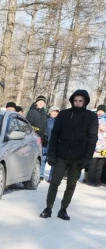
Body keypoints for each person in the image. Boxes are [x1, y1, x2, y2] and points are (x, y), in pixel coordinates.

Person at [40, 90, 98, 220]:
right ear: (72, 101)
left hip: (78, 157)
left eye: (80, 101)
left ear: (85, 102)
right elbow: (55, 134)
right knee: (54, 182)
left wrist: (87, 158)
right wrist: (51, 153)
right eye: (75, 100)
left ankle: (63, 209)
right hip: (62, 154)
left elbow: (92, 138)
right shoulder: (64, 114)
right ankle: (48, 207)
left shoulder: (91, 117)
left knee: (71, 185)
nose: (77, 103)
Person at [86, 104, 106, 186]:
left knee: (100, 165)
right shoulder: (93, 119)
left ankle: (98, 181)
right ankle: (91, 180)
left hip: (104, 147)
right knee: (92, 164)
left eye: (101, 111)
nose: (99, 113)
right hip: (94, 146)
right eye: (98, 111)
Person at [26, 96, 49, 165]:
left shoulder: (44, 113)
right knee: (32, 157)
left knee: (39, 157)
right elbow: (28, 125)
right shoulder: (32, 111)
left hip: (41, 138)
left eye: (43, 102)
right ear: (36, 103)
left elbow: (45, 125)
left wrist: (45, 135)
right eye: (40, 102)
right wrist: (36, 130)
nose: (41, 104)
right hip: (33, 138)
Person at [44, 106, 60, 182]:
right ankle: (40, 175)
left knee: (54, 160)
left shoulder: (60, 121)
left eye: (57, 112)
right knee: (44, 158)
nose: (55, 113)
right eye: (54, 111)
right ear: (50, 112)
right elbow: (44, 130)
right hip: (46, 142)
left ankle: (51, 177)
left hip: (55, 143)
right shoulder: (46, 120)